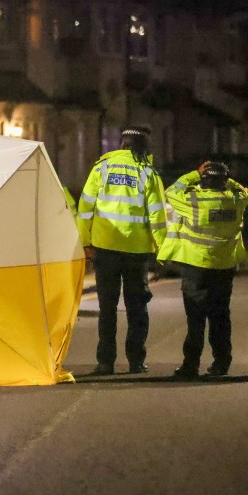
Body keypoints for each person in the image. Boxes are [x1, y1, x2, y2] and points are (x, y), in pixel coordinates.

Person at [77, 126, 167, 375]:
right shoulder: (148, 173)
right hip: (136, 252)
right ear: (145, 147)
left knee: (107, 308)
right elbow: (158, 217)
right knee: (136, 308)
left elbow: (85, 209)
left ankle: (105, 362)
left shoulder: (101, 168)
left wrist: (85, 243)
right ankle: (136, 361)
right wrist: (163, 252)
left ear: (122, 145)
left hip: (104, 249)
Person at [159, 161, 248, 379]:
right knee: (220, 317)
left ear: (204, 180)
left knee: (196, 320)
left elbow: (171, 191)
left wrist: (193, 174)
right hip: (224, 266)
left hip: (196, 267)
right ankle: (221, 363)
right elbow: (244, 191)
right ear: (224, 181)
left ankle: (190, 366)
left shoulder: (193, 200)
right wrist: (229, 179)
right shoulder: (236, 201)